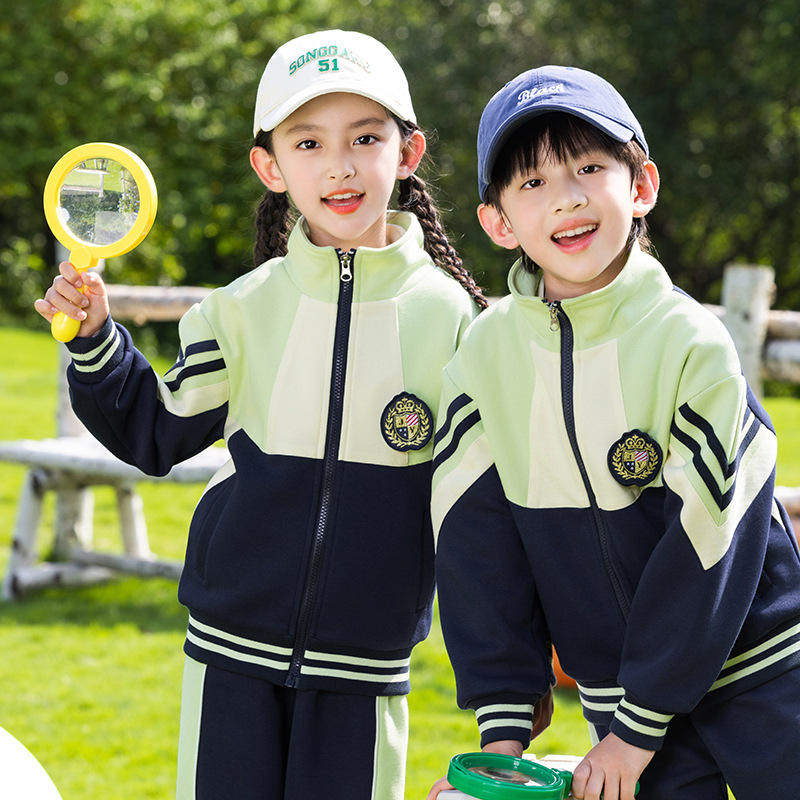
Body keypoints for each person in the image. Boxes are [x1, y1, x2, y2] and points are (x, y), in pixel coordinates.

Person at [35, 29, 485, 800]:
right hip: (229, 650)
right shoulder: (239, 311)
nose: (338, 164)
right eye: (308, 142)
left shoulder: (456, 322)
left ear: (407, 154)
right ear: (271, 167)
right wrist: (95, 341)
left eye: (365, 137)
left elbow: (485, 509)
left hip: (366, 664)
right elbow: (155, 431)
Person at [427, 66, 800, 800]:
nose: (565, 195)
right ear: (498, 222)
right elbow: (477, 544)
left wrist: (637, 728)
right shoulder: (483, 357)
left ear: (641, 185)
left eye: (589, 167)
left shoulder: (691, 341)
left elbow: (711, 540)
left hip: (762, 680)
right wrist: (503, 721)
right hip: (616, 702)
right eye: (531, 182)